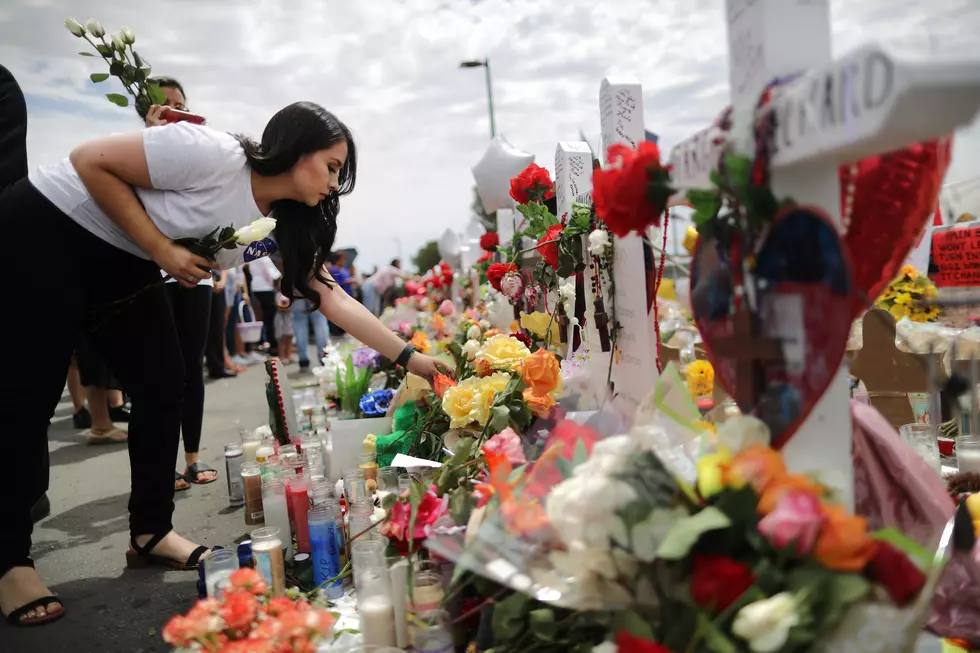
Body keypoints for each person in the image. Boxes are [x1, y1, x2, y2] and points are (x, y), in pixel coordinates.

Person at [0, 100, 450, 626]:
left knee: (166, 380)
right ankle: (10, 559)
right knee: (26, 394)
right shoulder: (214, 154)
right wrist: (161, 249)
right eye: (331, 167)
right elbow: (87, 160)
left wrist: (413, 358)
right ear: (295, 148)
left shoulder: (283, 221)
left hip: (125, 260)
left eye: (340, 174)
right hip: (49, 231)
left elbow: (332, 296)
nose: (334, 184)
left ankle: (150, 530)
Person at [143, 77, 219, 489]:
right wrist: (153, 144)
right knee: (160, 371)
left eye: (180, 105)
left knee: (192, 367)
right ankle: (163, 462)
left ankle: (192, 457)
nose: (174, 112)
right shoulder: (132, 155)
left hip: (197, 277)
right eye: (164, 106)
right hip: (153, 275)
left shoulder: (200, 158)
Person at [249, 256, 282, 356]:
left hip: (255, 287)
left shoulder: (252, 255)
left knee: (261, 317)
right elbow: (270, 273)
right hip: (266, 288)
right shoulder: (264, 256)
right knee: (270, 318)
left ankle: (262, 342)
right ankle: (273, 345)